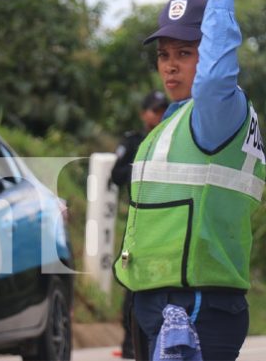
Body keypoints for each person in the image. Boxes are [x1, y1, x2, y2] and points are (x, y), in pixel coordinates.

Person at [112, 0, 266, 361]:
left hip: (196, 305)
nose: (170, 66)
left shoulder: (215, 111)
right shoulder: (176, 120)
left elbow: (215, 78)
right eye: (163, 55)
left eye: (185, 53)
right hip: (161, 303)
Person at [111, 90, 169, 359]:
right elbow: (116, 174)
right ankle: (130, 343)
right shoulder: (134, 141)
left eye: (162, 110)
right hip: (139, 220)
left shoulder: (174, 137)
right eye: (154, 110)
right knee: (133, 280)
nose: (158, 115)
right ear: (144, 113)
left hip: (169, 220)